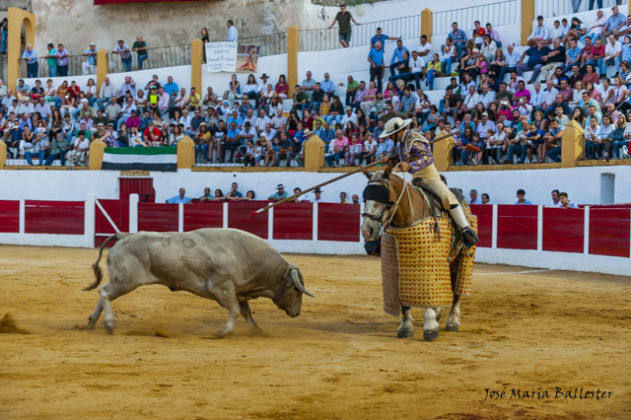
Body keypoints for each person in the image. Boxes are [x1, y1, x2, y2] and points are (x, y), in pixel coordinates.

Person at [380, 117, 478, 248]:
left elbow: (427, 157)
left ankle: (465, 230)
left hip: (428, 176)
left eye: (390, 135)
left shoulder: (413, 138)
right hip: (415, 178)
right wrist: (390, 161)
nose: (389, 138)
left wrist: (410, 166)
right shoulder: (402, 143)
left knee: (447, 197)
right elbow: (402, 159)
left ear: (398, 132)